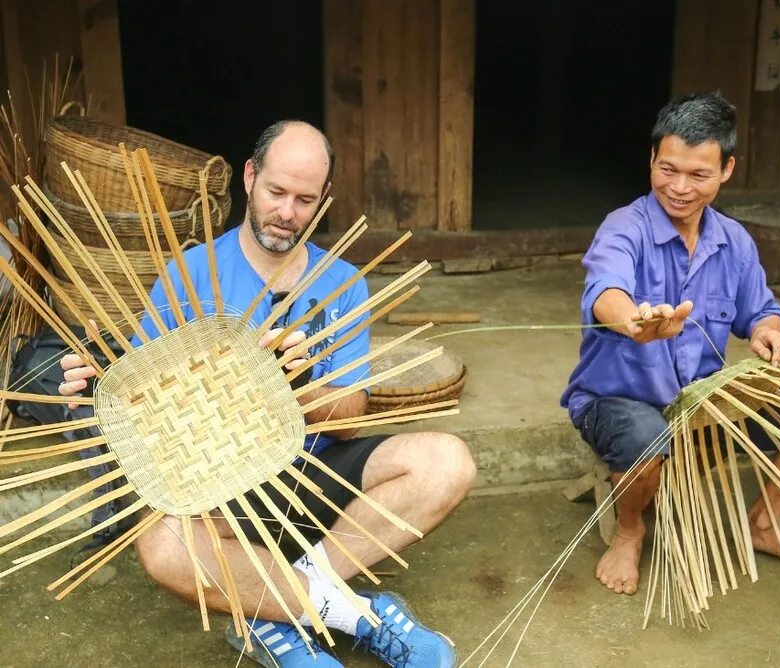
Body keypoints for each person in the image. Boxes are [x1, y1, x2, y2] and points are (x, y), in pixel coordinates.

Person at [60, 120, 476, 667]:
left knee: (447, 462)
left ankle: (265, 614)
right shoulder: (188, 276)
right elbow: (142, 410)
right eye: (277, 192)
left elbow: (349, 419)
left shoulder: (344, 282)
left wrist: (298, 386)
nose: (287, 212)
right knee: (162, 546)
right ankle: (354, 613)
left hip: (316, 475)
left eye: (305, 199)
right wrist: (100, 392)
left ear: (324, 200)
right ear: (249, 178)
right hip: (222, 490)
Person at [561, 92, 780, 597]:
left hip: (704, 401)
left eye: (698, 175)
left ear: (727, 169)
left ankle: (765, 523)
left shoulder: (735, 242)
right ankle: (630, 531)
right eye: (667, 169)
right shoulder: (625, 227)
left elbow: (762, 311)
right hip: (618, 400)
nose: (679, 188)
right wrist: (634, 322)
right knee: (645, 436)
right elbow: (606, 291)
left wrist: (772, 333)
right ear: (651, 160)